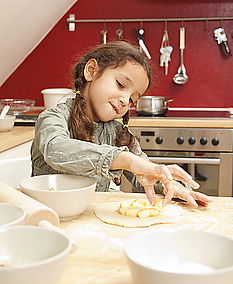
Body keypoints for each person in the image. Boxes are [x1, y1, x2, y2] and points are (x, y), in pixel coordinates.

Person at [31, 41, 211, 208]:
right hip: (49, 216)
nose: (125, 100)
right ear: (91, 71)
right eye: (121, 85)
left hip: (92, 219)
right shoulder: (53, 117)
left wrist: (167, 184)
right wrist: (125, 160)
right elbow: (56, 149)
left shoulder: (117, 133)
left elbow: (145, 174)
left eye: (132, 99)